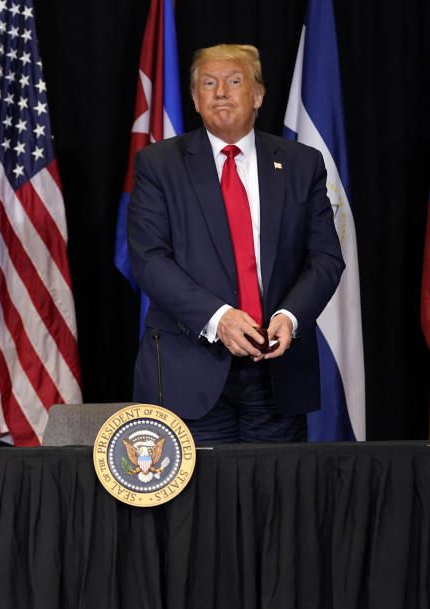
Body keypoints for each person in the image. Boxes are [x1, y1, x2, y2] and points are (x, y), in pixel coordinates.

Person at [127, 44, 344, 444]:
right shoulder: (159, 165)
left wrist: (292, 317)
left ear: (258, 94)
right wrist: (219, 318)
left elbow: (325, 258)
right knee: (200, 506)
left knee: (277, 502)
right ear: (194, 98)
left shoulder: (301, 163)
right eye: (208, 83)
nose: (221, 92)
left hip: (276, 375)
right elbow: (149, 260)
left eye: (234, 81)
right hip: (189, 371)